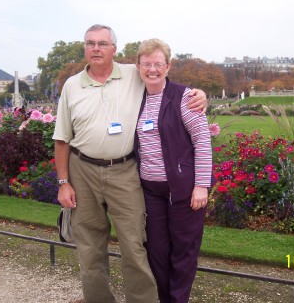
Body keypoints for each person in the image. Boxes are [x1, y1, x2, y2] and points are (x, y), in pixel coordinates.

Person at [53, 25, 207, 303]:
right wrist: (63, 183)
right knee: (89, 246)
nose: (96, 49)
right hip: (83, 169)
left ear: (114, 49)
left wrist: (199, 94)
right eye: (90, 43)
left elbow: (162, 78)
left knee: (135, 245)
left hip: (124, 171)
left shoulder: (131, 74)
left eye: (103, 43)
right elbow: (62, 139)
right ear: (84, 48)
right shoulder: (72, 85)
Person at [133, 38, 213, 303]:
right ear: (138, 66)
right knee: (156, 250)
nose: (152, 69)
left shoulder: (184, 97)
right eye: (146, 64)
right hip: (151, 190)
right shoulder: (134, 98)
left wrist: (201, 185)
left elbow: (202, 140)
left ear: (168, 66)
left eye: (158, 64)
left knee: (183, 251)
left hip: (184, 189)